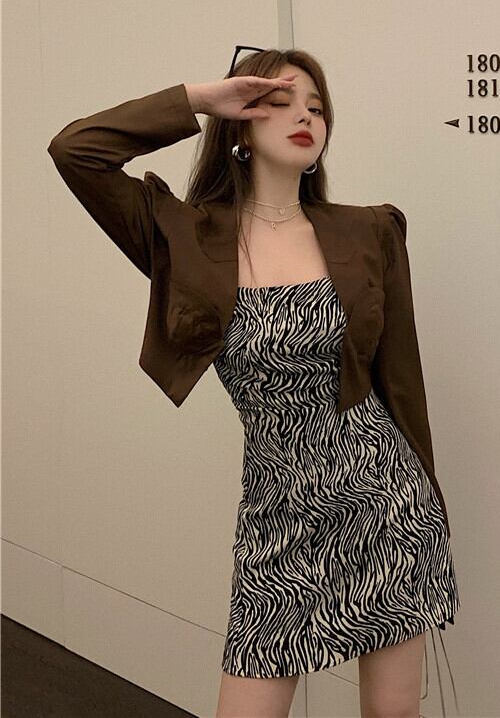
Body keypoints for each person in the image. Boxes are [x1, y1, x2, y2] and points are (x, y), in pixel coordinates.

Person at [51, 47, 460, 718]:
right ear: (240, 122)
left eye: (317, 107)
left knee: (392, 713)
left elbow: (402, 382)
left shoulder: (370, 231)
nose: (305, 116)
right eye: (280, 100)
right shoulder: (185, 237)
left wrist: (433, 508)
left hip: (385, 504)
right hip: (277, 513)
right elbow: (76, 151)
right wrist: (199, 99)